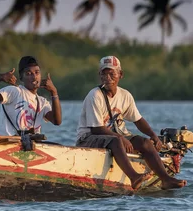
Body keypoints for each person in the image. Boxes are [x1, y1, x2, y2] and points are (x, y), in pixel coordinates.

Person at [76, 55, 186, 190]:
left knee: (144, 143)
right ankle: (134, 177)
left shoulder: (125, 95)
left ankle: (165, 179)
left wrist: (153, 136)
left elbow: (138, 120)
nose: (108, 78)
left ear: (120, 75)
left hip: (115, 136)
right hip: (89, 138)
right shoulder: (95, 95)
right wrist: (121, 138)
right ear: (100, 75)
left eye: (112, 74)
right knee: (116, 141)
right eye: (104, 74)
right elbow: (97, 129)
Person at [0, 55, 62, 137]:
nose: (34, 77)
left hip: (28, 146)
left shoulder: (42, 102)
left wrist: (54, 92)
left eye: (37, 72)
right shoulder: (14, 92)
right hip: (5, 144)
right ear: (21, 77)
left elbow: (57, 121)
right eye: (29, 73)